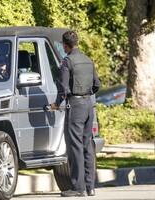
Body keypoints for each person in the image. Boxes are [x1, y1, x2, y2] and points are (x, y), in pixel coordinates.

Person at [50, 30, 101, 197]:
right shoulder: (87, 60)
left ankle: (78, 187)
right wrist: (86, 94)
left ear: (65, 45)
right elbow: (96, 84)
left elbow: (63, 87)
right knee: (87, 145)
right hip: (88, 105)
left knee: (75, 147)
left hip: (76, 106)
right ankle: (90, 187)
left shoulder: (67, 61)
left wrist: (57, 104)